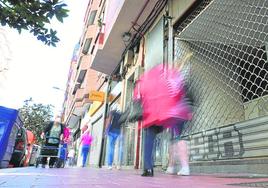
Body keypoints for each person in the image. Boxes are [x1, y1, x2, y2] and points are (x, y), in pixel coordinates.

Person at [134, 64, 192, 177]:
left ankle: (149, 168)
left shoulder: (144, 81)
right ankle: (181, 167)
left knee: (150, 138)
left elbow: (137, 99)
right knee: (177, 138)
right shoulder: (172, 75)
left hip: (154, 114)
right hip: (175, 112)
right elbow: (180, 91)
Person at [105, 104, 122, 170]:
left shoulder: (112, 113)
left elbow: (109, 121)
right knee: (118, 148)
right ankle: (118, 165)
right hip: (118, 132)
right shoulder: (121, 114)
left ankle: (110, 164)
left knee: (111, 147)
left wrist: (106, 130)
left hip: (112, 131)